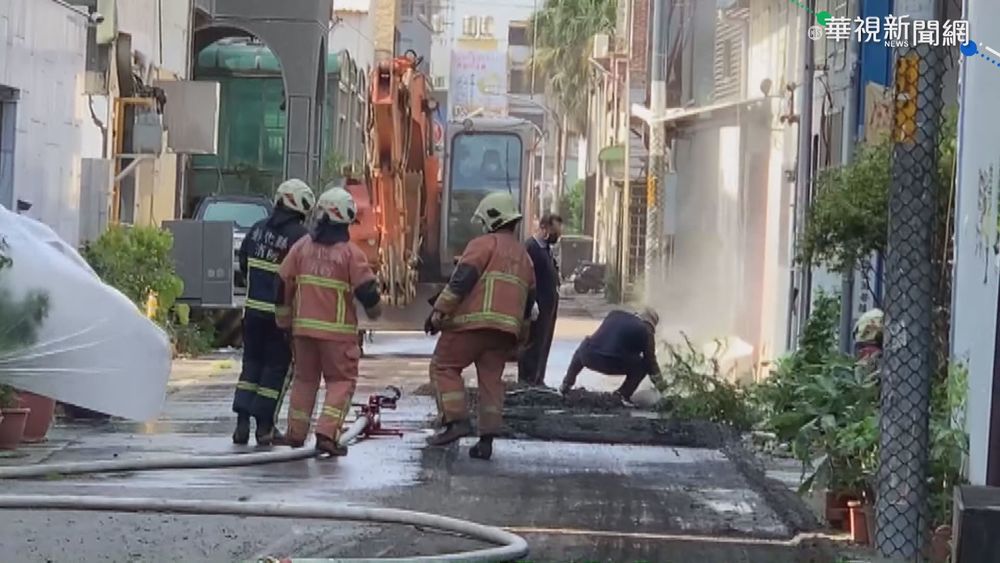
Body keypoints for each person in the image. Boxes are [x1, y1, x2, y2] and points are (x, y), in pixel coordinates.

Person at [425, 191, 536, 460]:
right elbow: (530, 303)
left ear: (491, 218)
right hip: (503, 334)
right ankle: (486, 441)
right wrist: (522, 338)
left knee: (444, 367)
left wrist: (438, 313)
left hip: (470, 325)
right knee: (491, 382)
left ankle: (455, 420)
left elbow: (461, 281)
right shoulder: (525, 258)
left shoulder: (483, 244)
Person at [275, 187, 382, 456]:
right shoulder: (350, 254)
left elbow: (282, 282)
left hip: (303, 332)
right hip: (338, 337)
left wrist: (284, 320)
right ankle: (326, 433)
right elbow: (368, 292)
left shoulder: (301, 248)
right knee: (341, 382)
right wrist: (375, 312)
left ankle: (296, 435)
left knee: (304, 380)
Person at [232, 178, 315, 446]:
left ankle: (241, 424)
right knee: (275, 372)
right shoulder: (300, 238)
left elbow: (243, 266)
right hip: (279, 318)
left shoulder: (256, 230)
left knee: (250, 368)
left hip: (252, 315)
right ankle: (265, 428)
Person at [559, 307, 668, 406]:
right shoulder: (647, 331)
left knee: (584, 347)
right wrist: (663, 389)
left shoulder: (614, 314)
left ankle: (566, 385)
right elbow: (651, 363)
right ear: (652, 324)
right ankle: (622, 395)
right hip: (613, 362)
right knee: (644, 365)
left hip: (589, 357)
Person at [517, 214, 563, 386]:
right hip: (537, 305)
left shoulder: (546, 248)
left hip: (549, 305)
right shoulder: (531, 247)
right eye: (554, 232)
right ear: (544, 228)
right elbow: (525, 276)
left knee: (544, 342)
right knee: (533, 342)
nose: (556, 237)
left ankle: (538, 378)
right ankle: (527, 380)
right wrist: (531, 301)